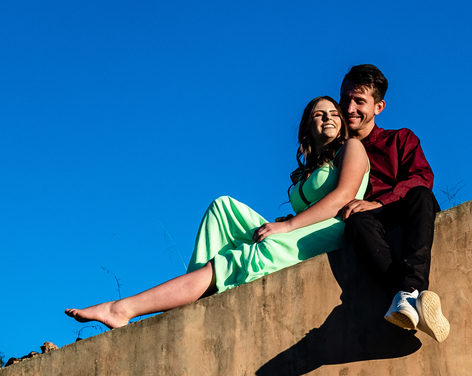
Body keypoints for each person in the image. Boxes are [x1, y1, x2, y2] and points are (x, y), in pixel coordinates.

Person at [66, 96, 369, 329]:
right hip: (302, 229)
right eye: (319, 114)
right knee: (222, 206)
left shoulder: (351, 147)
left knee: (259, 249)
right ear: (307, 127)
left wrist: (288, 227)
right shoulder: (307, 172)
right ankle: (194, 292)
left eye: (333, 113)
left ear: (343, 122)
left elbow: (343, 196)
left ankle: (121, 309)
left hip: (333, 230)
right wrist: (285, 225)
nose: (327, 117)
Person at [336, 64, 450, 342]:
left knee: (422, 195)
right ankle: (410, 298)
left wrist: (378, 202)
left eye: (359, 101)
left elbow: (422, 178)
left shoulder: (400, 139)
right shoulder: (334, 155)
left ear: (379, 107)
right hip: (363, 225)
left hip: (401, 212)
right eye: (345, 99)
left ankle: (408, 289)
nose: (349, 108)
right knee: (358, 219)